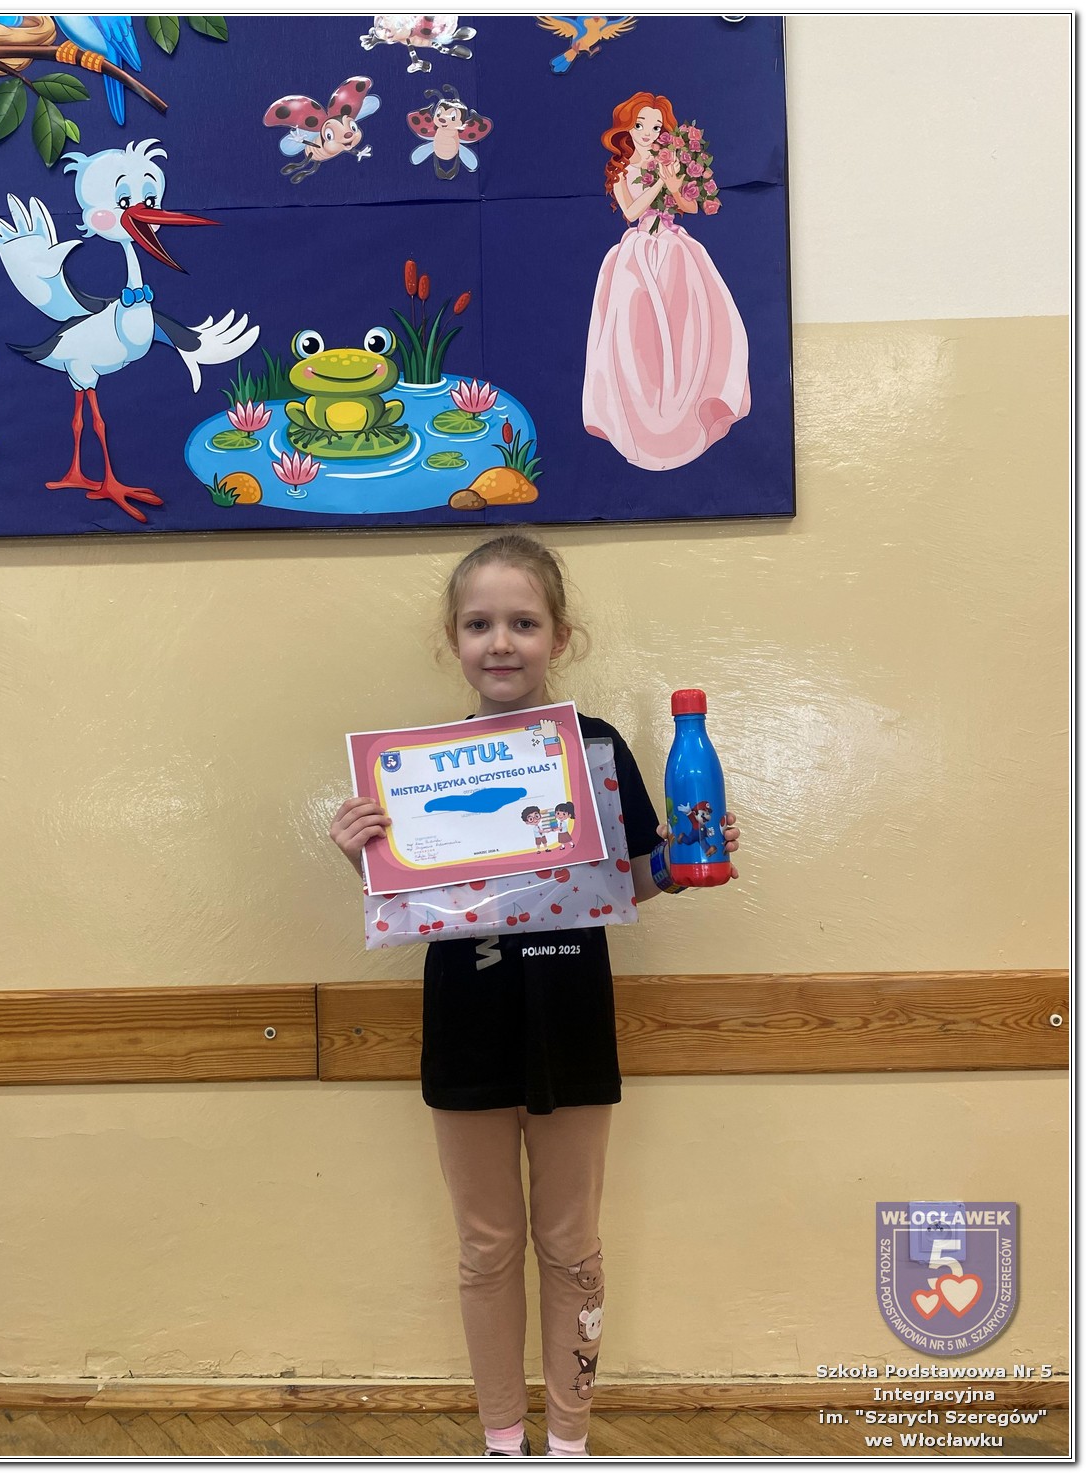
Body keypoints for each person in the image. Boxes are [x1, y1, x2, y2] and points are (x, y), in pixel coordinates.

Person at [329, 532, 740, 1458]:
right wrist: (365, 854)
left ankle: (568, 1440)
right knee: (485, 1248)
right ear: (452, 640)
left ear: (561, 635)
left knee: (571, 1245)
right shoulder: (414, 771)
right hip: (466, 1029)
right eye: (479, 624)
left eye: (523, 622)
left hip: (572, 1028)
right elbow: (413, 896)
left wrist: (684, 861)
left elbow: (629, 879)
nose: (501, 641)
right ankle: (502, 1439)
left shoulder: (595, 750)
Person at [583, 92, 751, 472]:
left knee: (686, 332)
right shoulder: (624, 170)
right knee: (636, 338)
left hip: (675, 250)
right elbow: (631, 212)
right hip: (638, 256)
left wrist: (674, 184)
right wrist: (660, 182)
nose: (648, 132)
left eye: (656, 126)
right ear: (627, 128)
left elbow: (690, 207)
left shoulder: (670, 162)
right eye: (641, 124)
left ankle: (686, 411)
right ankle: (641, 421)